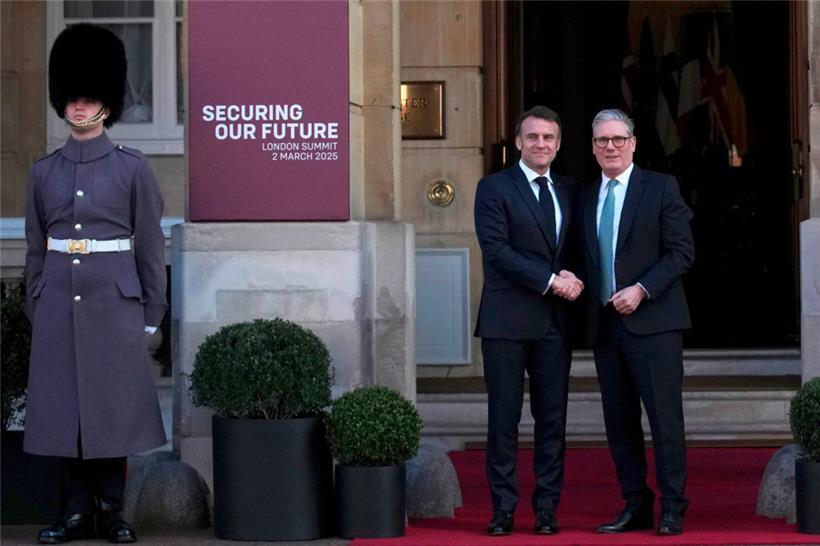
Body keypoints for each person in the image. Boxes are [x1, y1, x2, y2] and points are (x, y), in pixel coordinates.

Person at [24, 24, 167, 544]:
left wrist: (151, 313)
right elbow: (37, 249)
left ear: (107, 104)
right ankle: (75, 513)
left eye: (89, 100)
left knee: (112, 410)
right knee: (65, 412)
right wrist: (39, 306)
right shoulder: (44, 173)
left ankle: (112, 511)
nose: (79, 108)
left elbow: (150, 247)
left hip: (115, 304)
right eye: (73, 100)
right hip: (59, 304)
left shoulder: (132, 169)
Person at [576, 108, 694, 536]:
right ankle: (635, 504)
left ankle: (673, 507)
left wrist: (642, 289)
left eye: (618, 139)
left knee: (665, 420)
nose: (610, 147)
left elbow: (681, 252)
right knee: (619, 423)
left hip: (655, 324)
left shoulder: (661, 188)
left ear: (633, 143)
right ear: (592, 147)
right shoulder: (586, 195)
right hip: (606, 327)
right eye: (602, 141)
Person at [474, 105, 583, 536]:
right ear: (518, 142)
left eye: (549, 138)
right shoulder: (494, 188)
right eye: (533, 137)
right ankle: (502, 510)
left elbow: (577, 247)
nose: (541, 144)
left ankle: (546, 510)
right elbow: (497, 252)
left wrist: (574, 276)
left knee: (552, 421)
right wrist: (553, 281)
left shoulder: (570, 190)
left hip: (554, 326)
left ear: (558, 145)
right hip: (505, 322)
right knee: (503, 420)